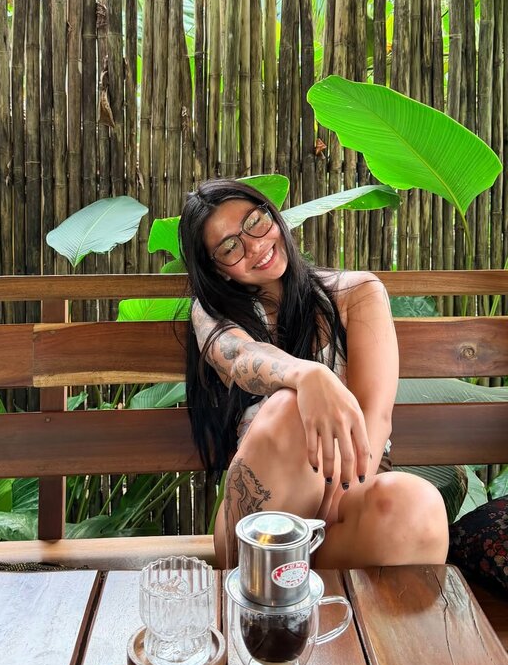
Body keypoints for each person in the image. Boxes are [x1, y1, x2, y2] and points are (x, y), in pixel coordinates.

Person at [178, 178, 449, 570]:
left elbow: (376, 414)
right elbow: (240, 357)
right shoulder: (211, 313)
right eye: (230, 247)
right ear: (217, 269)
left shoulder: (357, 293)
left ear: (273, 216)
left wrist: (337, 498)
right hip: (265, 519)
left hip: (353, 495)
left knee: (416, 506)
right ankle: (262, 591)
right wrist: (308, 376)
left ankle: (309, 593)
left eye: (255, 221)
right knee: (290, 407)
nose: (254, 246)